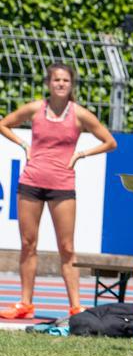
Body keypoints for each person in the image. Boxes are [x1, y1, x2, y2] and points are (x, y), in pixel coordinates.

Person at [0, 63, 117, 318]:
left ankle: (76, 306)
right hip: (30, 182)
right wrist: (23, 144)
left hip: (62, 186)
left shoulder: (79, 114)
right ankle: (25, 304)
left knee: (66, 247)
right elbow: (4, 124)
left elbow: (110, 142)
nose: (61, 84)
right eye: (56, 80)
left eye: (65, 80)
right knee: (27, 244)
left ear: (71, 84)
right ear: (48, 83)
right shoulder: (35, 109)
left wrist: (81, 154)